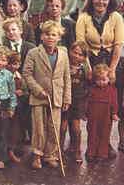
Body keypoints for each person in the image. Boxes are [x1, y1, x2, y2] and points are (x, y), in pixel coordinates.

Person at [23, 21, 71, 169]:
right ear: (42, 36)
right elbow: (27, 73)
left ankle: (50, 155)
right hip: (39, 97)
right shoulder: (34, 53)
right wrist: (37, 90)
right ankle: (37, 155)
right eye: (47, 34)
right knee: (39, 128)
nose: (50, 37)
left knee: (53, 127)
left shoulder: (63, 54)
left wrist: (66, 98)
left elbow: (66, 76)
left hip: (57, 96)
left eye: (54, 34)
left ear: (59, 37)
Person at [76, 0, 124, 82]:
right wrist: (88, 68)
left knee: (113, 89)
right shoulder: (83, 17)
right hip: (91, 59)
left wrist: (112, 69)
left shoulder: (116, 17)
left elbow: (118, 45)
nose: (101, 2)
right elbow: (81, 45)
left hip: (112, 59)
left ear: (109, 1)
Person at [59, 41, 89, 163]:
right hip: (65, 100)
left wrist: (85, 105)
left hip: (77, 102)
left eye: (80, 54)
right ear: (69, 51)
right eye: (74, 52)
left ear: (84, 57)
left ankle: (77, 150)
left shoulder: (84, 69)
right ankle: (59, 150)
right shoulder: (64, 65)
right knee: (62, 127)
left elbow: (87, 86)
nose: (76, 56)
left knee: (76, 128)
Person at [85, 64, 119, 162]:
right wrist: (85, 112)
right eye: (98, 80)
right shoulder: (92, 89)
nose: (101, 82)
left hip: (106, 115)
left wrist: (114, 113)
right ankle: (91, 152)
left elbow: (114, 102)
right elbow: (87, 101)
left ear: (109, 78)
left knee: (104, 134)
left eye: (104, 79)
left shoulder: (112, 89)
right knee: (92, 133)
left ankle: (102, 153)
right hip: (93, 115)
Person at [6, 52, 31, 163]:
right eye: (10, 64)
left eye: (15, 64)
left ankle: (16, 148)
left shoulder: (20, 77)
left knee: (19, 128)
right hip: (7, 106)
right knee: (10, 129)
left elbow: (26, 90)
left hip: (20, 106)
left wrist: (23, 92)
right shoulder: (5, 75)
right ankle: (9, 151)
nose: (12, 66)